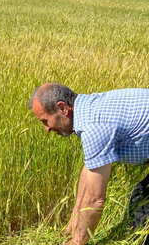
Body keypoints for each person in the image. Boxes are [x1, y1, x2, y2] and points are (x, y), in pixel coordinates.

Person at [28, 83, 149, 245]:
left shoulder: (94, 126)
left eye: (45, 121)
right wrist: (73, 224)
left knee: (142, 214)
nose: (46, 129)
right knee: (141, 200)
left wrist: (78, 242)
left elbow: (95, 199)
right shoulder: (89, 111)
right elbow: (89, 170)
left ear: (62, 108)